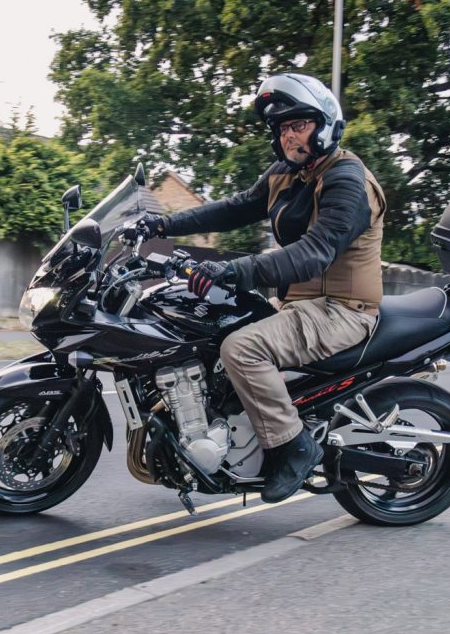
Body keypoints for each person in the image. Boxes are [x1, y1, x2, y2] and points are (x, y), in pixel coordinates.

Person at [136, 73, 387, 503]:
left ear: (324, 123)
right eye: (283, 128)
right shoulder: (287, 175)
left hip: (343, 309)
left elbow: (315, 252)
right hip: (299, 303)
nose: (290, 136)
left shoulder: (347, 180)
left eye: (299, 125)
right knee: (206, 327)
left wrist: (233, 271)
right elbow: (230, 210)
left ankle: (293, 446)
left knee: (242, 349)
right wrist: (162, 224)